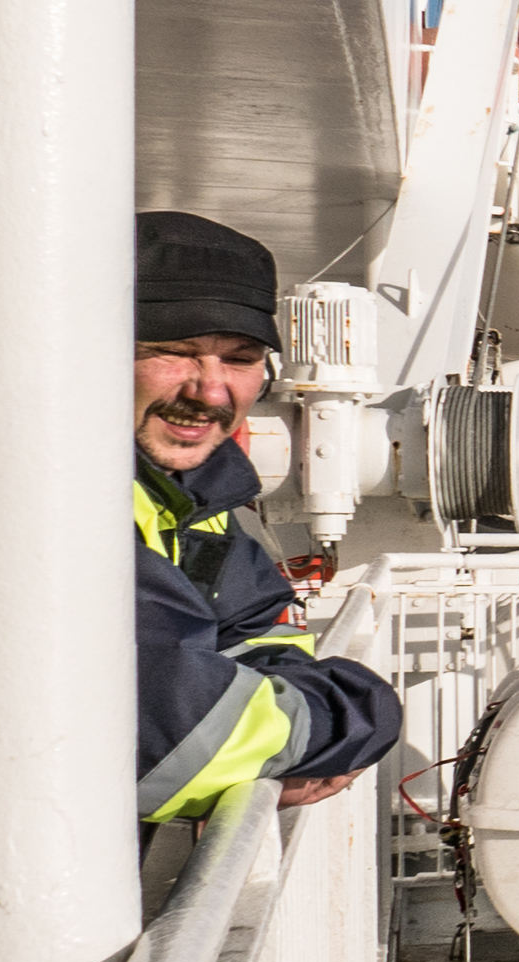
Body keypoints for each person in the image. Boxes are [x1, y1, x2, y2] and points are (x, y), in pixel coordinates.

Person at [133, 211, 399, 823]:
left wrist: (284, 718)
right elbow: (176, 737)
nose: (211, 390)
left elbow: (256, 628)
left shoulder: (190, 493)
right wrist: (359, 712)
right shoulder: (54, 491)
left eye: (242, 358)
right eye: (174, 352)